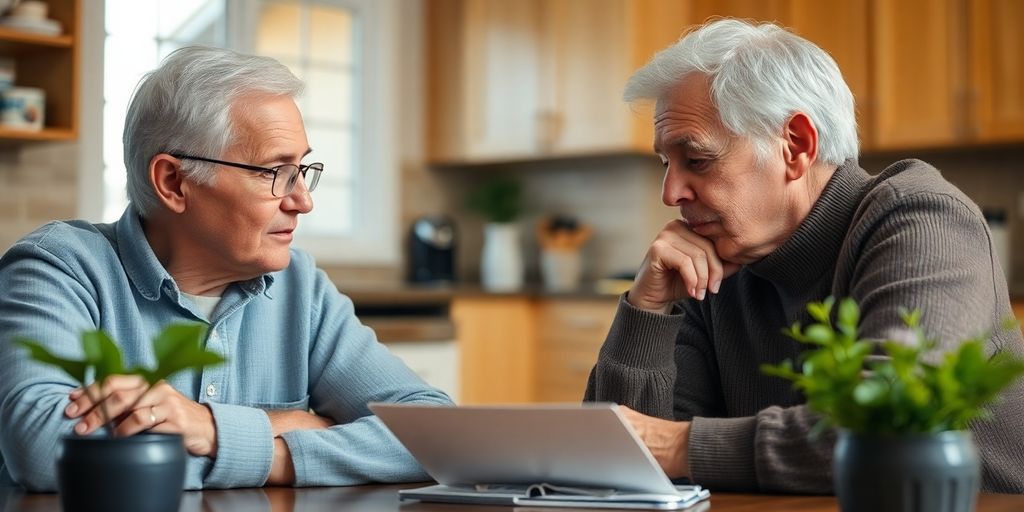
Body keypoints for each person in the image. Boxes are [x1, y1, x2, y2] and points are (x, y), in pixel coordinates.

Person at [584, 18, 1024, 493]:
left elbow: (889, 426)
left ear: (795, 145)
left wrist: (677, 447)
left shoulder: (924, 219)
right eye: (665, 163)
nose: (670, 193)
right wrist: (646, 311)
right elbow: (618, 470)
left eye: (697, 160)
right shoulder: (711, 261)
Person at [0, 46, 453, 491]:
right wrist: (292, 426)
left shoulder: (299, 285)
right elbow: (44, 451)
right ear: (174, 182)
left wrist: (220, 434)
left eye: (302, 170)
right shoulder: (57, 268)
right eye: (274, 172)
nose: (303, 200)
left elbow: (439, 436)